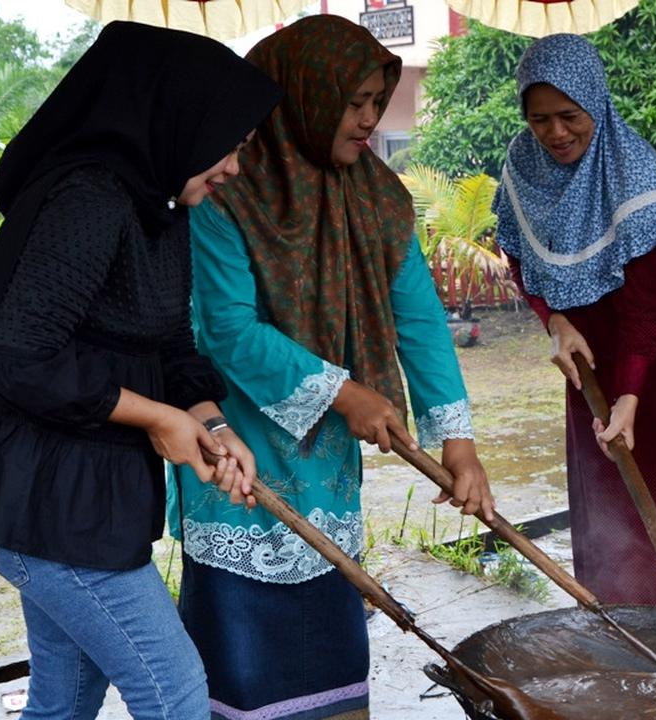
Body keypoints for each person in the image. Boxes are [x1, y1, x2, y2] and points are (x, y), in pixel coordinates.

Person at [0, 22, 281, 719]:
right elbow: (22, 358)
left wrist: (209, 421)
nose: (233, 166)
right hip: (35, 492)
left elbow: (167, 342)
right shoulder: (91, 200)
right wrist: (158, 417)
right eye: (230, 143)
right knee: (174, 691)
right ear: (182, 120)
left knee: (68, 693)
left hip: (76, 493)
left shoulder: (159, 208)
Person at [167, 16, 495, 720]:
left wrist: (458, 441)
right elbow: (223, 329)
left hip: (329, 472)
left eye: (379, 101)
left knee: (335, 668)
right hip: (238, 460)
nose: (371, 119)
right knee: (247, 678)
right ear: (305, 93)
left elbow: (418, 317)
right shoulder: (225, 187)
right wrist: (345, 392)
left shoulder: (378, 194)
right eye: (356, 102)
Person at [491, 33, 656, 607]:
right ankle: (611, 616)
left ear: (595, 100)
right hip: (584, 356)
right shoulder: (523, 164)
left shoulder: (630, 165)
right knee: (603, 489)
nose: (556, 133)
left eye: (570, 116)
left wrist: (630, 395)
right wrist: (554, 322)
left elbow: (647, 305)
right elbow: (518, 256)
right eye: (539, 118)